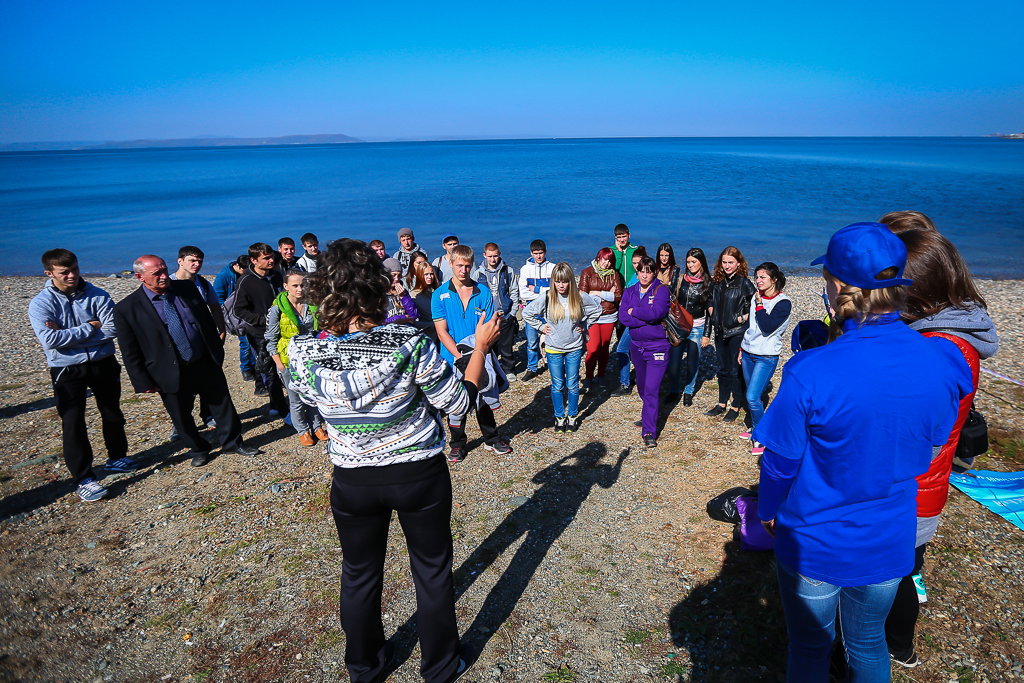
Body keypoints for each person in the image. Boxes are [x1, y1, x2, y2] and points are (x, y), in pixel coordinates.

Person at [756, 222, 972, 683]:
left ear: (836, 286)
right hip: (889, 535)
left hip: (815, 539)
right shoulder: (944, 361)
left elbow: (779, 462)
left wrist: (768, 511)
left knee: (810, 648)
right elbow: (936, 439)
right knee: (869, 643)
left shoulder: (810, 370)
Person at [287, 238, 501, 683]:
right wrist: (480, 348)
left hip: (352, 478)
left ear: (322, 289)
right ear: (376, 286)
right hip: (417, 474)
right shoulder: (408, 342)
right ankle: (440, 667)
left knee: (359, 574)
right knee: (432, 571)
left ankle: (364, 667)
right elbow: (458, 403)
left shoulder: (303, 351)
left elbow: (308, 399)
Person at [882, 224, 998, 669]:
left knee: (896, 575)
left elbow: (912, 437)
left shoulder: (939, 350)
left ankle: (897, 646)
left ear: (913, 290)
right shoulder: (948, 333)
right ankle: (898, 644)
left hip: (909, 491)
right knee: (905, 569)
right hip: (923, 485)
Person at [114, 255, 261, 467]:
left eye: (165, 270)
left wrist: (215, 349)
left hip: (203, 360)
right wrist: (142, 381)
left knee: (223, 405)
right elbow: (130, 349)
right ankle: (198, 449)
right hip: (168, 369)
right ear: (140, 277)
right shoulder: (127, 308)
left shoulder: (186, 288)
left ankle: (233, 443)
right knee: (181, 415)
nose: (164, 276)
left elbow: (205, 320)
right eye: (156, 273)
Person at [28, 248, 138, 502]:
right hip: (67, 369)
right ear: (49, 273)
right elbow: (50, 340)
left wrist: (68, 335)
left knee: (112, 412)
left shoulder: (98, 294)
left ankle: (117, 457)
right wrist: (91, 326)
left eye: (75, 269)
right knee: (73, 422)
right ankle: (84, 479)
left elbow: (112, 329)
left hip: (103, 362)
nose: (72, 275)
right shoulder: (41, 303)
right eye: (64, 272)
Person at [432, 245, 512, 462]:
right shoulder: (439, 295)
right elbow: (441, 332)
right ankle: (457, 444)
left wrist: (478, 352)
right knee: (455, 403)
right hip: (453, 358)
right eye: (459, 265)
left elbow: (490, 326)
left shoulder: (482, 292)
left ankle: (491, 438)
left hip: (480, 354)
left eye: (467, 266)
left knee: (484, 397)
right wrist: (460, 358)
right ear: (450, 263)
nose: (463, 270)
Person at [524, 263, 601, 433]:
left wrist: (584, 325)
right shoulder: (547, 297)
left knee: (572, 384)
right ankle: (559, 416)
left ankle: (572, 416)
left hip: (574, 347)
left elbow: (596, 310)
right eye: (557, 281)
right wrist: (541, 327)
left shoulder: (579, 296)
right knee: (557, 385)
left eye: (564, 281)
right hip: (554, 348)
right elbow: (527, 313)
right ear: (553, 281)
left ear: (570, 281)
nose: (561, 285)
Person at [266, 269, 327, 448]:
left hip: (310, 358)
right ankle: (302, 430)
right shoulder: (277, 309)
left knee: (313, 394)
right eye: (295, 286)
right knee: (296, 399)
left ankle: (317, 426)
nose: (300, 289)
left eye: (303, 285)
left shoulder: (311, 304)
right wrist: (280, 365)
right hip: (288, 360)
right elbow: (271, 339)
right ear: (286, 286)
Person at [169, 245, 225, 440]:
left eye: (199, 261)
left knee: (209, 381)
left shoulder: (203, 283)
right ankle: (180, 425)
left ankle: (208, 415)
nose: (197, 264)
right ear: (180, 261)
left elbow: (215, 308)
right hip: (180, 343)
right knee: (183, 387)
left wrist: (221, 330)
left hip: (204, 341)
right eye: (192, 260)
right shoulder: (169, 284)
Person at [737, 262, 792, 456]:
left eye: (763, 277)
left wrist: (760, 304)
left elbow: (767, 326)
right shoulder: (756, 296)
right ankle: (755, 427)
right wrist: (741, 348)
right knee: (754, 395)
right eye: (757, 277)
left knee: (752, 397)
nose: (758, 281)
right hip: (748, 352)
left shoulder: (783, 303)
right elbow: (751, 326)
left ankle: (761, 437)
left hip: (766, 356)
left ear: (774, 279)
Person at [619, 255, 670, 448]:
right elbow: (623, 317)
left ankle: (649, 432)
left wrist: (635, 312)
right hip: (636, 346)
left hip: (657, 347)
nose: (644, 275)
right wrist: (644, 319)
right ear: (637, 272)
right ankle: (649, 413)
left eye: (648, 272)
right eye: (641, 271)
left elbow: (657, 313)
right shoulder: (630, 291)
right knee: (642, 387)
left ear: (654, 273)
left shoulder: (661, 290)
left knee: (650, 390)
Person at [703, 246, 756, 423]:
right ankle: (721, 403)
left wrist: (742, 318)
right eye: (724, 262)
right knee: (722, 369)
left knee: (735, 370)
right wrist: (712, 317)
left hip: (737, 333)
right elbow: (709, 302)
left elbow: (755, 306)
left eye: (730, 262)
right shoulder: (717, 282)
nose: (727, 266)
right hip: (720, 332)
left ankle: (736, 405)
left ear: (738, 263)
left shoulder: (744, 283)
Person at [234, 242, 287, 417]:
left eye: (271, 257)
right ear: (254, 260)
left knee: (285, 366)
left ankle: (279, 403)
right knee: (270, 371)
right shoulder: (245, 281)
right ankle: (280, 408)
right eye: (266, 258)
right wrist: (263, 321)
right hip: (259, 333)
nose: (271, 260)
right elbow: (238, 310)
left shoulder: (277, 275)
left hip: (283, 330)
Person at [665, 247, 711, 406]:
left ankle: (688, 392)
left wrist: (706, 334)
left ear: (701, 262)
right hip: (679, 326)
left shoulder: (708, 283)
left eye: (694, 262)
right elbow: (671, 299)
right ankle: (674, 391)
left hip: (697, 327)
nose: (690, 265)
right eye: (688, 262)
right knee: (674, 363)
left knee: (692, 362)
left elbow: (710, 312)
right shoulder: (680, 279)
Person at [578, 247, 623, 392]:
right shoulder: (587, 273)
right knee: (593, 349)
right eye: (604, 259)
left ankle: (601, 374)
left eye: (609, 261)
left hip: (609, 316)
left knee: (604, 348)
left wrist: (597, 293)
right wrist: (606, 295)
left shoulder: (614, 274)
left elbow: (618, 296)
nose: (606, 263)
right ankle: (589, 377)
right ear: (598, 257)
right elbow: (583, 297)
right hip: (591, 317)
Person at [476, 242, 521, 379]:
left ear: (499, 254)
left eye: (495, 256)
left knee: (507, 345)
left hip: (505, 315)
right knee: (490, 346)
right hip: (488, 317)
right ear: (484, 255)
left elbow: (514, 292)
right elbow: (475, 295)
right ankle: (493, 372)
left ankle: (509, 370)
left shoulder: (508, 271)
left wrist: (512, 312)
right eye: (490, 256)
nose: (493, 259)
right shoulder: (478, 274)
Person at [214, 254, 258, 383]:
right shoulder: (223, 277)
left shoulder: (247, 274)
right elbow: (218, 298)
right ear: (237, 266)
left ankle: (254, 365)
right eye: (245, 270)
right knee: (245, 341)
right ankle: (246, 369)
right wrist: (228, 313)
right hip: (234, 314)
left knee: (253, 340)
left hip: (248, 312)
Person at [611, 246, 647, 396]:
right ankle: (635, 379)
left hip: (638, 321)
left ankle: (626, 383)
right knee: (631, 350)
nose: (636, 265)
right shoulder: (635, 276)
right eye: (634, 263)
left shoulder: (645, 278)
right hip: (632, 320)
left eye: (638, 262)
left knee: (623, 349)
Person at [518, 239, 555, 382]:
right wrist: (545, 292)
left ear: (545, 252)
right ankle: (532, 367)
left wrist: (536, 289)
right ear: (531, 253)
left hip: (549, 309)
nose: (538, 256)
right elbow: (523, 293)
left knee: (551, 339)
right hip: (531, 310)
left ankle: (552, 365)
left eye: (540, 253)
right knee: (531, 342)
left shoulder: (553, 268)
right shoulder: (524, 270)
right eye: (535, 253)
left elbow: (555, 291)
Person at [382, 257, 419, 324]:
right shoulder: (379, 294)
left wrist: (403, 297)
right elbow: (379, 320)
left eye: (399, 276)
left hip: (407, 327)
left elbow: (415, 314)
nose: (397, 279)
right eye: (393, 275)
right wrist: (402, 318)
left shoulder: (403, 292)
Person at [410, 261, 440, 341]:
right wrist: (431, 325)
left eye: (431, 274)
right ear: (420, 275)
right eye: (426, 274)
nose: (429, 277)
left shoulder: (438, 291)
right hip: (428, 334)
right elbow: (412, 320)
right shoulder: (414, 295)